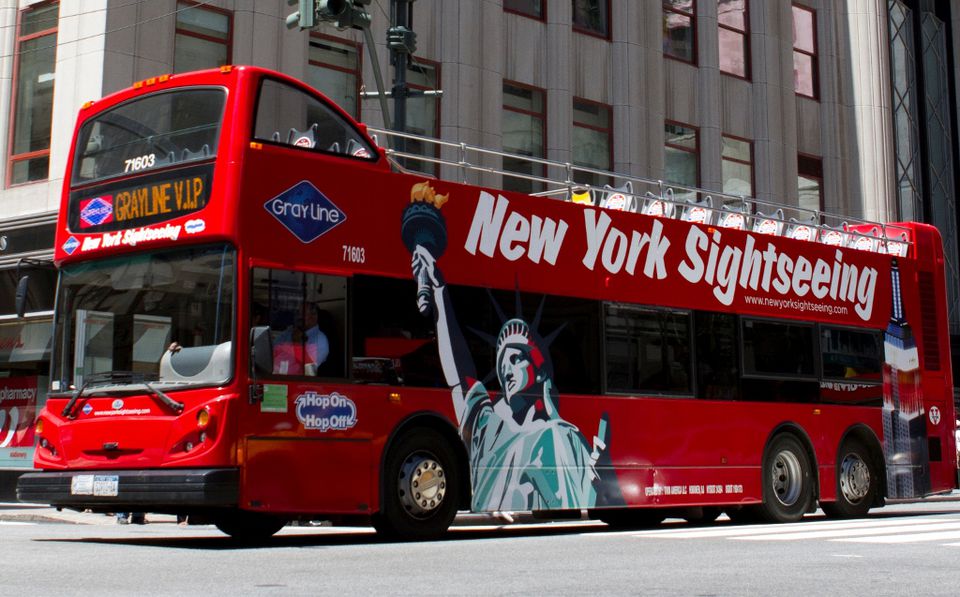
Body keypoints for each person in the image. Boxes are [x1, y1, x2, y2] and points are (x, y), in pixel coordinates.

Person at [410, 245, 607, 512]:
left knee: (556, 434)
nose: (506, 370)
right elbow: (459, 376)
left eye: (516, 359)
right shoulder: (487, 426)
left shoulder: (561, 435)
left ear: (539, 370)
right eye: (502, 363)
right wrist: (440, 292)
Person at [273, 302, 329, 375]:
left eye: (301, 314)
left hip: (292, 381)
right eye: (296, 313)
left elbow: (309, 370)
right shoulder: (290, 331)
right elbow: (273, 349)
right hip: (272, 374)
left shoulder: (320, 340)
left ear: (313, 316)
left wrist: (297, 343)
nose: (297, 317)